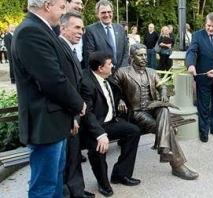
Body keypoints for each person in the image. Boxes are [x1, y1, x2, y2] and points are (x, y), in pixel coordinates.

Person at [11, 0, 87, 196]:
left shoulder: (41, 30)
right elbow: (52, 79)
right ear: (47, 5)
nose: (63, 13)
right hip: (44, 124)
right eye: (62, 7)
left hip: (55, 121)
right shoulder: (31, 31)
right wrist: (78, 104)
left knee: (55, 182)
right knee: (44, 187)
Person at [115, 43, 199, 180]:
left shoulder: (152, 72)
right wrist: (120, 100)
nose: (144, 58)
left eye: (145, 55)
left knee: (164, 108)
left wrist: (164, 93)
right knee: (168, 129)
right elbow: (113, 88)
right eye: (140, 55)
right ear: (132, 57)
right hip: (137, 112)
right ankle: (176, 165)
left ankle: (166, 151)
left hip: (153, 106)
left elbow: (162, 86)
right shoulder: (123, 72)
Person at [80, 51, 141, 197]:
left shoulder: (106, 76)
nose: (112, 66)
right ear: (100, 68)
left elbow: (116, 91)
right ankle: (103, 182)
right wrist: (100, 134)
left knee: (133, 131)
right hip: (93, 126)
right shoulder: (86, 83)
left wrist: (119, 101)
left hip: (110, 121)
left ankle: (121, 174)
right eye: (109, 64)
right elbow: (87, 114)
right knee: (98, 148)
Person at [58, 12, 95, 198]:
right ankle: (73, 192)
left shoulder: (70, 49)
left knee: (73, 156)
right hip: (68, 116)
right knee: (68, 158)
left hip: (73, 114)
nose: (81, 32)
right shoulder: (60, 48)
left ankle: (76, 190)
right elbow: (63, 87)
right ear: (63, 28)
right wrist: (73, 116)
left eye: (82, 28)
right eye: (77, 27)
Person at [186, 12, 213, 142]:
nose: (211, 28)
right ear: (205, 23)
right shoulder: (197, 35)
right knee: (204, 105)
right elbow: (192, 51)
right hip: (203, 78)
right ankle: (204, 131)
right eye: (209, 25)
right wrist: (190, 65)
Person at [84, 0, 129, 72]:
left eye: (109, 12)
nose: (107, 15)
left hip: (120, 74)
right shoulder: (91, 30)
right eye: (103, 12)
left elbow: (126, 51)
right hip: (102, 74)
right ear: (97, 14)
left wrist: (122, 69)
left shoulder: (120, 28)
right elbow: (90, 55)